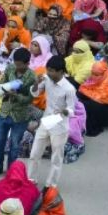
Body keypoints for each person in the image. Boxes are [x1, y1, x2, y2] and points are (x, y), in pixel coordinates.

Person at [27, 56, 78, 187]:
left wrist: (64, 111)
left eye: (52, 71)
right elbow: (35, 94)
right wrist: (36, 83)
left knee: (56, 158)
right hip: (46, 121)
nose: (49, 73)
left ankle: (51, 186)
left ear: (61, 72)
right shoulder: (46, 79)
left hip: (60, 126)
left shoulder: (69, 89)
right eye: (48, 70)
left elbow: (72, 110)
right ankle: (31, 181)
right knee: (34, 153)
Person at [0, 48, 36, 177]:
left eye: (20, 65)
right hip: (4, 111)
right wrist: (3, 88)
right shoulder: (10, 68)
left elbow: (29, 99)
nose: (16, 67)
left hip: (20, 116)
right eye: (15, 63)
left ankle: (11, 171)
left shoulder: (32, 77)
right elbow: (2, 83)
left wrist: (16, 96)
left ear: (27, 64)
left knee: (15, 145)